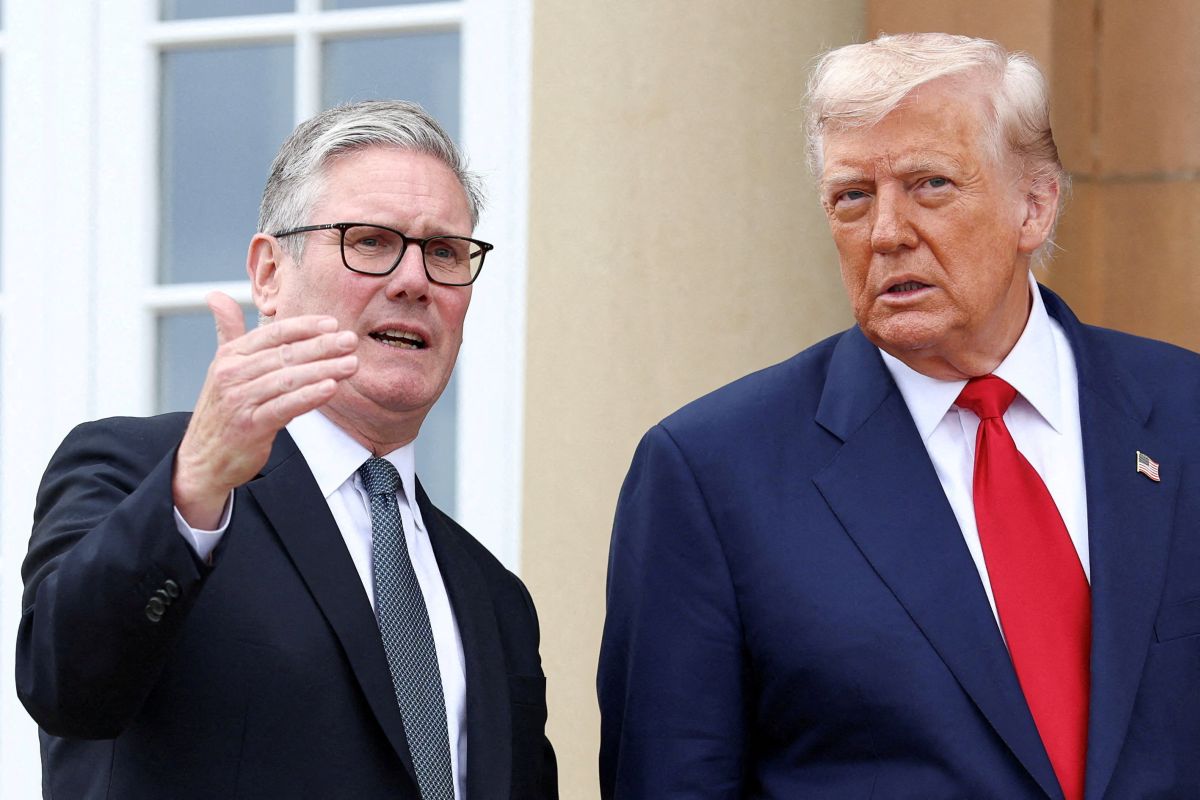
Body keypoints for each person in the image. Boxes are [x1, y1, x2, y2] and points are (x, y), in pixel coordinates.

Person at [598, 32, 1200, 799]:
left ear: (1035, 206)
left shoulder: (1183, 416)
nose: (886, 232)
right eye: (853, 196)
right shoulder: (713, 475)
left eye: (930, 185)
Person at [18, 100, 557, 800]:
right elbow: (66, 687)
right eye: (370, 241)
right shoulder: (142, 475)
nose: (414, 281)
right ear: (269, 273)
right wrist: (195, 484)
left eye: (445, 252)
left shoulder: (495, 599)